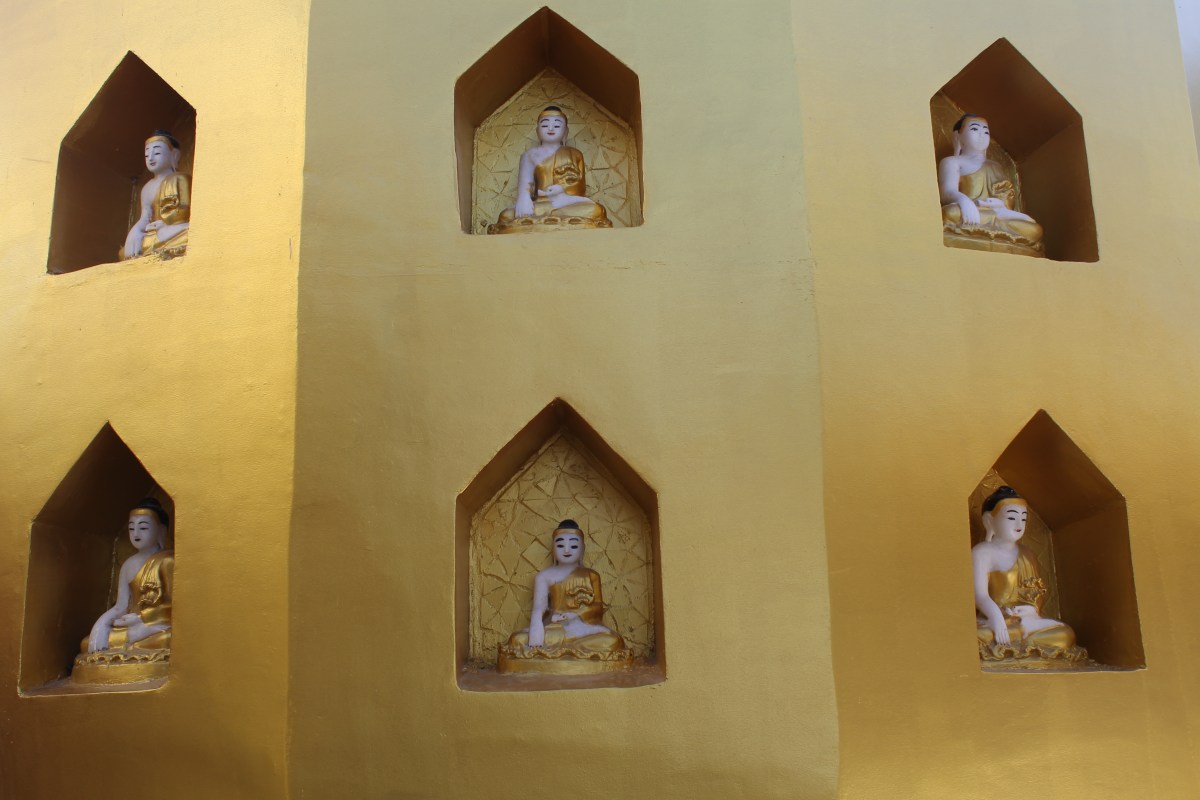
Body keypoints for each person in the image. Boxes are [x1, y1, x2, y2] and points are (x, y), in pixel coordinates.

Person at [498, 519, 631, 674]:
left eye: (573, 546)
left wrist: (575, 615)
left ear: (582, 549)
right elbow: (539, 608)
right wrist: (536, 628)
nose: (566, 550)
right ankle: (568, 650)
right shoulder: (544, 576)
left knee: (613, 641)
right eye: (560, 545)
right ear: (553, 549)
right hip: (555, 628)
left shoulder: (592, 575)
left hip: (583, 629)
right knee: (517, 639)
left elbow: (597, 608)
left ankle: (562, 651)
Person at [972, 486, 1086, 665]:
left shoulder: (1028, 554)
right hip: (993, 619)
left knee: (1065, 634)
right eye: (1011, 518)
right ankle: (1017, 646)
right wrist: (996, 617)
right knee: (976, 637)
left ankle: (1014, 647)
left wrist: (1031, 609)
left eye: (1023, 518)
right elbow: (980, 595)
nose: (1019, 524)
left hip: (1025, 621)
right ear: (989, 521)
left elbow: (1035, 592)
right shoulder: (982, 552)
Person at [72, 498, 174, 684]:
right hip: (131, 627)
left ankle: (131, 647)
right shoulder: (128, 565)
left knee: (168, 639)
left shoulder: (167, 561)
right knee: (87, 643)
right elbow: (121, 606)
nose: (136, 534)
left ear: (161, 531)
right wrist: (101, 625)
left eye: (143, 528)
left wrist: (141, 618)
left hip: (154, 626)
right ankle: (129, 646)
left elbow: (174, 607)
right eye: (131, 528)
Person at [488, 107, 611, 234]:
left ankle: (537, 221)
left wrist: (561, 190)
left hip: (565, 202)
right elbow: (526, 185)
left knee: (596, 210)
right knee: (506, 215)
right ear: (537, 131)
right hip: (540, 203)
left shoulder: (575, 154)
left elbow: (580, 187)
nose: (551, 128)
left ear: (565, 131)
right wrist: (524, 200)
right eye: (545, 125)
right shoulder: (529, 155)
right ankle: (558, 220)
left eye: (557, 126)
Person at [939, 114, 1043, 254]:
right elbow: (947, 193)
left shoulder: (996, 166)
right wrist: (964, 202)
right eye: (975, 129)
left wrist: (1000, 205)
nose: (981, 135)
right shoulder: (952, 162)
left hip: (996, 214)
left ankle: (982, 231)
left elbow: (1006, 199)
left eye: (986, 132)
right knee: (950, 213)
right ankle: (985, 231)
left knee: (1035, 230)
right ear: (958, 136)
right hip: (967, 211)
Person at [120, 130, 191, 260]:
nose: (151, 158)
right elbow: (145, 217)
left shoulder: (179, 179)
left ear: (174, 155)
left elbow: (184, 211)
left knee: (189, 234)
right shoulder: (147, 188)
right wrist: (134, 233)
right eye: (147, 155)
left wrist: (164, 223)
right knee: (124, 251)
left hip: (175, 229)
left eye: (157, 153)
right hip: (155, 233)